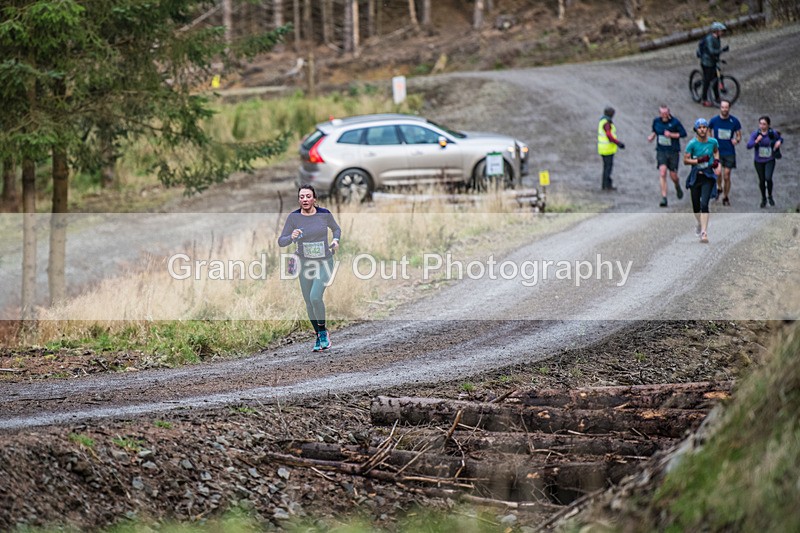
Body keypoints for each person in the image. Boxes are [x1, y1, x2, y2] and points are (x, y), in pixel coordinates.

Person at [278, 185, 341, 351]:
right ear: (299, 200)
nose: (305, 199)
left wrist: (335, 240)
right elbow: (281, 241)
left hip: (324, 262)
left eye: (308, 196)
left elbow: (336, 229)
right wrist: (291, 237)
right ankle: (319, 335)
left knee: (315, 297)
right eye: (301, 197)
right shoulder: (294, 218)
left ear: (314, 199)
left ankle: (323, 333)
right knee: (308, 302)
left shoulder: (324, 214)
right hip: (304, 265)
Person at [684, 118, 721, 244]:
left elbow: (716, 151)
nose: (702, 130)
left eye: (704, 127)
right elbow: (685, 160)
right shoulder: (692, 144)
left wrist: (716, 161)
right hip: (696, 176)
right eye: (699, 128)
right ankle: (700, 223)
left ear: (707, 129)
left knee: (704, 204)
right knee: (696, 206)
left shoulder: (713, 142)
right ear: (696, 130)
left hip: (708, 176)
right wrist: (698, 161)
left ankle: (704, 233)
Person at [647, 104, 687, 207]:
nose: (664, 115)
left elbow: (683, 134)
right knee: (662, 172)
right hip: (661, 151)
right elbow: (655, 131)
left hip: (673, 151)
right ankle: (664, 198)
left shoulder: (675, 122)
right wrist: (652, 136)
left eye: (665, 113)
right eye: (662, 113)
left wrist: (671, 135)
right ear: (659, 113)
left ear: (669, 112)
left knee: (673, 176)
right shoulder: (656, 121)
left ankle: (677, 185)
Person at [708, 99, 742, 206]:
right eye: (722, 107)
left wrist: (736, 140)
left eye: (726, 107)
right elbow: (708, 129)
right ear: (720, 108)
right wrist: (710, 140)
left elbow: (739, 135)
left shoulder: (734, 121)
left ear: (729, 108)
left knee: (727, 175)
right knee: (718, 173)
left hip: (729, 151)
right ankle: (719, 187)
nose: (724, 109)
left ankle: (726, 196)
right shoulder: (714, 120)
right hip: (717, 151)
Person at [746, 115, 783, 208]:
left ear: (768, 125)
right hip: (759, 161)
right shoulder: (756, 134)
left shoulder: (772, 133)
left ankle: (770, 195)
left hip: (770, 159)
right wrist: (756, 141)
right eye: (760, 124)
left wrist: (779, 142)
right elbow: (749, 145)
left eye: (764, 124)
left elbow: (780, 138)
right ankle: (763, 198)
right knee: (762, 180)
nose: (762, 126)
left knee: (768, 178)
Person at [699, 21, 729, 108]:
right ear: (716, 31)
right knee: (707, 81)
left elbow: (716, 51)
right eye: (721, 31)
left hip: (713, 61)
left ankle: (717, 97)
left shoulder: (717, 38)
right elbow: (711, 51)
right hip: (706, 62)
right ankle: (704, 99)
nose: (722, 33)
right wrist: (722, 50)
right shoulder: (709, 39)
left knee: (716, 79)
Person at [597, 106, 625, 191]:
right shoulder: (607, 123)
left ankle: (605, 184)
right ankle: (606, 185)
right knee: (608, 167)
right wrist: (618, 143)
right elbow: (609, 135)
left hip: (603, 148)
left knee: (606, 167)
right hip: (607, 149)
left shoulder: (602, 121)